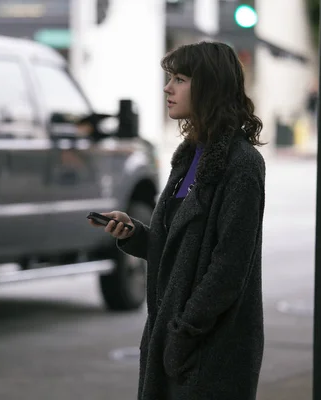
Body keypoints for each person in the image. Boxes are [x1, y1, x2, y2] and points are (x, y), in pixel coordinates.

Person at [89, 41, 266, 400]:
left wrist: (184, 332)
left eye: (180, 79)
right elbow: (180, 247)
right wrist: (135, 234)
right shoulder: (189, 157)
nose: (167, 88)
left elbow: (229, 265)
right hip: (172, 336)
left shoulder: (242, 164)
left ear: (209, 86)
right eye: (170, 78)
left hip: (211, 345)